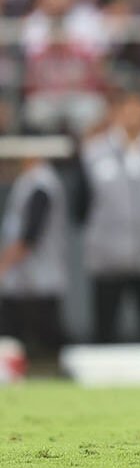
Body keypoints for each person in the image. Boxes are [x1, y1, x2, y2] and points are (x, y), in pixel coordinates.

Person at [80, 92, 140, 344]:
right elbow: (80, 206)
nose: (133, 116)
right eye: (127, 109)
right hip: (109, 256)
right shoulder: (94, 152)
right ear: (115, 112)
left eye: (139, 109)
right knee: (105, 330)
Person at [0, 148, 70, 364]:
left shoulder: (42, 184)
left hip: (37, 279)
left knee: (42, 342)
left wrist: (3, 265)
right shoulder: (29, 181)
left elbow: (29, 237)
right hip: (27, 280)